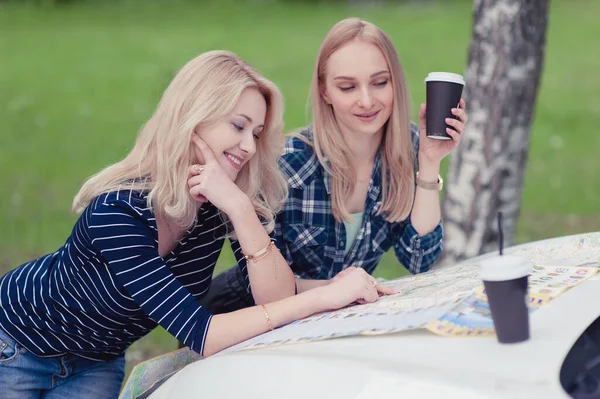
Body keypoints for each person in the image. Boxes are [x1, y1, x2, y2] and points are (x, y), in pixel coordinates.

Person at [0, 50, 388, 399]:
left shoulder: (221, 199)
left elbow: (276, 298)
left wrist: (239, 208)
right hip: (17, 345)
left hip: (98, 360)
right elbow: (203, 334)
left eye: (256, 133)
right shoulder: (116, 212)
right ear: (193, 120)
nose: (250, 147)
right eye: (238, 126)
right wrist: (324, 296)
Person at [201, 18, 469, 315]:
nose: (366, 101)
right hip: (245, 317)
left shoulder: (409, 149)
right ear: (325, 91)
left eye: (380, 82)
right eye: (347, 87)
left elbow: (419, 260)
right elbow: (268, 288)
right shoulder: (287, 163)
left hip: (337, 318)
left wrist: (429, 163)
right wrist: (341, 290)